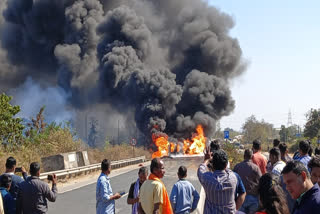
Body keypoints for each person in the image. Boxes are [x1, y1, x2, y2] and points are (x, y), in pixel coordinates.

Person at [198, 148, 237, 213]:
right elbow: (228, 169)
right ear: (226, 164)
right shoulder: (233, 178)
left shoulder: (207, 179)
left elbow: (201, 170)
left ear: (213, 165)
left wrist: (206, 159)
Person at [234, 149, 262, 214]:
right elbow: (261, 181)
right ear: (252, 157)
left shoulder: (237, 167)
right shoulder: (256, 168)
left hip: (240, 198)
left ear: (244, 156)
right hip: (253, 198)